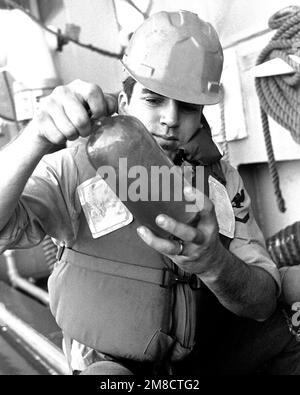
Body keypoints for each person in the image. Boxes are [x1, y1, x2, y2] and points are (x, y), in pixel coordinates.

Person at [0, 9, 299, 375]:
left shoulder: (220, 183)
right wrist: (36, 137)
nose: (171, 118)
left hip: (202, 352)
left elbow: (263, 301)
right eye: (154, 99)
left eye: (188, 107)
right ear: (125, 102)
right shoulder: (73, 168)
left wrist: (214, 263)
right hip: (113, 362)